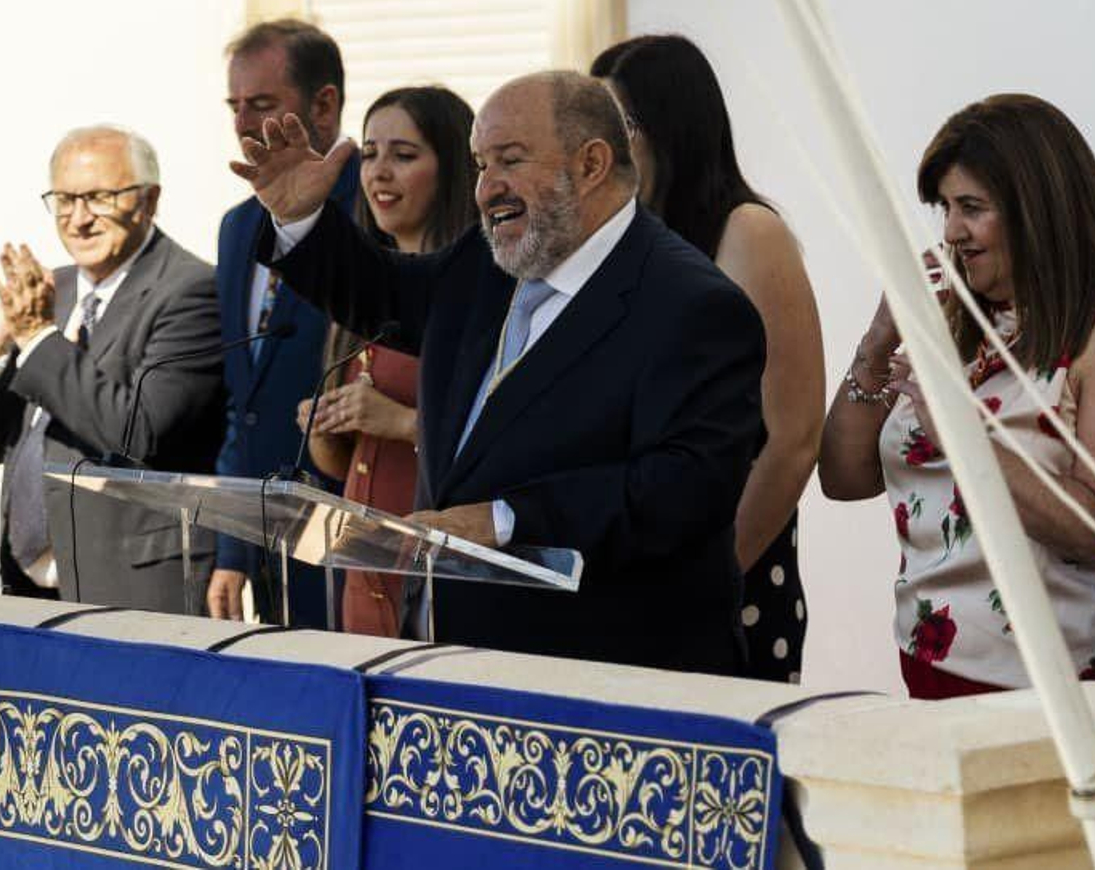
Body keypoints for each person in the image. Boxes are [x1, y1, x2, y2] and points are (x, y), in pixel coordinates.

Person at [230, 71, 767, 674]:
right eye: (481, 165)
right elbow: (383, 295)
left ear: (591, 164)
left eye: (509, 161)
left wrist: (504, 519)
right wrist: (303, 218)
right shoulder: (488, 264)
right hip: (454, 659)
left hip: (612, 677)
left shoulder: (692, 304)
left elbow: (687, 487)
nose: (486, 190)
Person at [818, 94, 1095, 699]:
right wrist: (876, 346)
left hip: (1050, 688)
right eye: (945, 209)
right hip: (929, 664)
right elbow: (844, 477)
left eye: (972, 208)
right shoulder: (959, 321)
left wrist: (965, 432)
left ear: (1037, 211)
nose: (952, 232)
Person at [591, 34, 824, 682]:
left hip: (727, 579)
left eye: (617, 124)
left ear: (672, 123)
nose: (599, 145)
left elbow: (795, 436)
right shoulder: (624, 244)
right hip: (630, 579)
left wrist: (714, 573)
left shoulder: (749, 232)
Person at [0, 124, 225, 612]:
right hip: (29, 590)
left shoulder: (190, 291)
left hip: (131, 587)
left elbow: (139, 431)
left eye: (98, 198)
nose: (79, 219)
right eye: (64, 200)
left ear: (149, 200)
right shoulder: (55, 290)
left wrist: (37, 339)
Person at [296, 86, 478, 637]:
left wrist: (398, 422)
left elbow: (500, 447)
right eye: (370, 154)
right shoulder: (362, 293)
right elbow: (348, 465)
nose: (379, 173)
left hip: (439, 585)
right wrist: (326, 429)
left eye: (403, 156)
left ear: (453, 169)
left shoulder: (477, 290)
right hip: (362, 577)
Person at [209, 19, 363, 628]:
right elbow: (240, 404)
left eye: (263, 105)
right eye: (235, 106)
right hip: (267, 545)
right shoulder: (237, 227)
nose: (245, 123)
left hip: (353, 543)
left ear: (323, 105)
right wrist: (232, 545)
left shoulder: (372, 210)